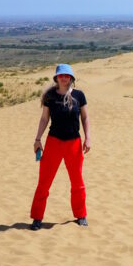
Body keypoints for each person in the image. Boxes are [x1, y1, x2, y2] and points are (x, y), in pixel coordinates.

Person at [30, 63, 90, 229]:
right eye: (61, 75)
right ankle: (37, 217)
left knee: (77, 182)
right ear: (56, 78)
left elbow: (85, 118)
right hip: (54, 142)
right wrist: (37, 139)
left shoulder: (79, 95)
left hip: (74, 143)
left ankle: (81, 215)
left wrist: (88, 138)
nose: (64, 78)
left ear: (71, 78)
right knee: (44, 181)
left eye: (67, 75)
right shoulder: (50, 96)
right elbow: (44, 119)